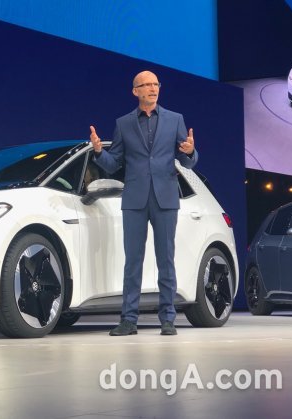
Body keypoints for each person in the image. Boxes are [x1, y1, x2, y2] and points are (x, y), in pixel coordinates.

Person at [89, 70, 197, 336]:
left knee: (166, 260)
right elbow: (114, 164)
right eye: (146, 85)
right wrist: (99, 152)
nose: (152, 88)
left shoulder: (175, 119)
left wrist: (190, 151)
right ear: (135, 91)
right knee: (133, 261)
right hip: (135, 199)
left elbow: (187, 162)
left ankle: (168, 318)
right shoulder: (123, 123)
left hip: (165, 198)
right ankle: (129, 320)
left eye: (155, 84)